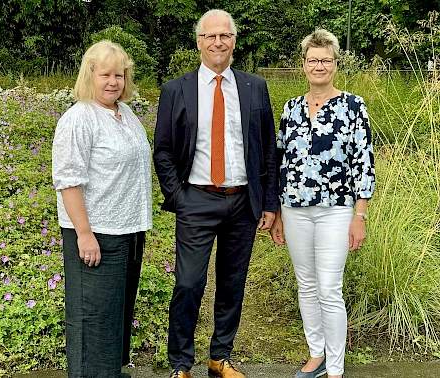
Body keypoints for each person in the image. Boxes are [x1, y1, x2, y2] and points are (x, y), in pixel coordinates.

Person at [153, 9, 278, 378]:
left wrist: (269, 203)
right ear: (199, 42)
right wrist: (178, 196)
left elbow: (269, 148)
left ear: (234, 41)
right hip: (197, 199)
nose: (218, 42)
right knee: (189, 283)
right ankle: (180, 363)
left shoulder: (255, 86)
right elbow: (162, 150)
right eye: (210, 36)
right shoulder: (176, 89)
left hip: (243, 201)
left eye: (225, 36)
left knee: (232, 283)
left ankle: (219, 357)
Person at [269, 29, 375, 378]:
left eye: (325, 60)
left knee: (329, 287)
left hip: (336, 210)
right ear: (303, 65)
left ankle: (336, 367)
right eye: (313, 60)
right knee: (307, 284)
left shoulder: (353, 106)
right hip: (295, 210)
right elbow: (281, 161)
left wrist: (360, 214)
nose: (319, 65)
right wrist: (279, 213)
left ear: (335, 64)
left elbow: (363, 161)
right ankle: (317, 355)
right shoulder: (291, 108)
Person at [52, 40, 152, 378]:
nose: (113, 82)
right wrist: (84, 234)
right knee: (92, 318)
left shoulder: (124, 114)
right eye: (105, 74)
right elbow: (68, 181)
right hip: (97, 235)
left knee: (115, 314)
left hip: (127, 231)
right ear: (89, 76)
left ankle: (110, 372)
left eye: (119, 75)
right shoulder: (79, 118)